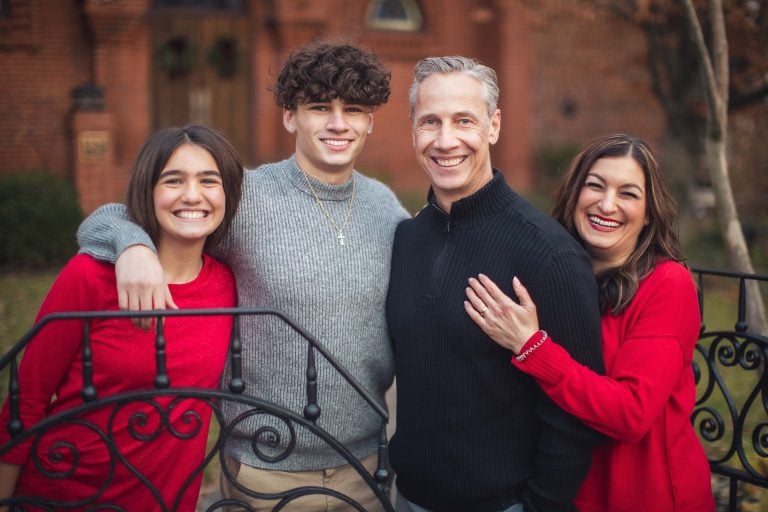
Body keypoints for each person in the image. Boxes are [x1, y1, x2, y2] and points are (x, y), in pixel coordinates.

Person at [75, 41, 409, 511]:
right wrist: (131, 244)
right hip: (266, 465)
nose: (338, 123)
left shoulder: (385, 207)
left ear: (369, 121)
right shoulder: (246, 199)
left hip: (367, 464)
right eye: (319, 108)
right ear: (291, 117)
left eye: (353, 110)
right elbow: (108, 217)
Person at [386, 56, 605, 512]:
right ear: (413, 130)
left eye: (464, 120)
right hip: (408, 498)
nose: (446, 141)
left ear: (494, 126)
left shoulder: (549, 254)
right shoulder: (408, 238)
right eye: (431, 122)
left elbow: (574, 411)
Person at [464, 133, 715, 512]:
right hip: (560, 491)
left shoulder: (667, 285)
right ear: (574, 193)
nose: (607, 204)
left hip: (647, 496)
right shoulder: (554, 273)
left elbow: (632, 413)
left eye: (628, 193)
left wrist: (534, 348)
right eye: (594, 186)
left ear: (649, 211)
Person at [0, 124, 244, 511]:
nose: (192, 195)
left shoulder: (229, 285)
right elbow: (25, 399)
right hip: (64, 494)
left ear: (228, 194)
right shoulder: (90, 276)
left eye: (208, 180)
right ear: (148, 192)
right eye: (174, 180)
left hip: (166, 500)